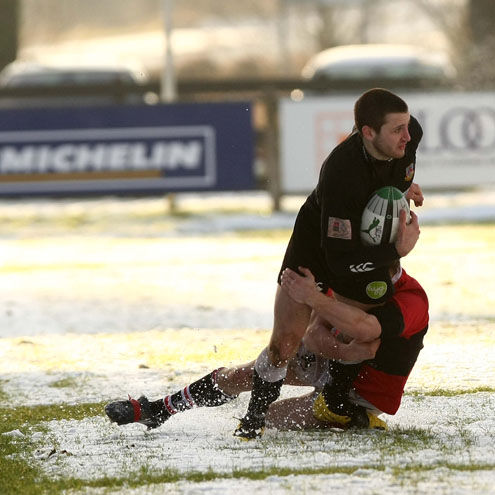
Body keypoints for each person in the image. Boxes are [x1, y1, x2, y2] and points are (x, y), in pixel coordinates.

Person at [233, 88, 425, 438]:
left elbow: (391, 178)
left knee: (366, 335)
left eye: (407, 125)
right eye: (397, 129)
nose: (408, 136)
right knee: (283, 345)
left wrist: (403, 190)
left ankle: (335, 398)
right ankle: (254, 418)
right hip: (318, 251)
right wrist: (398, 249)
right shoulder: (340, 172)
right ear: (368, 133)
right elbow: (339, 260)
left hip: (363, 252)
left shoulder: (410, 139)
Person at [104, 257, 429, 433]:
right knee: (243, 375)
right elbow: (314, 335)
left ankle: (357, 419)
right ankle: (160, 409)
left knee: (271, 420)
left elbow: (366, 330)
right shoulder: (352, 275)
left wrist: (317, 301)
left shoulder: (411, 300)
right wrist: (342, 351)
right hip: (332, 359)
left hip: (361, 391)